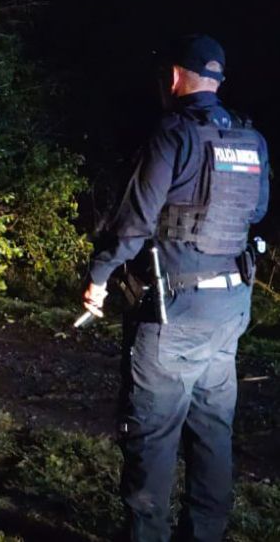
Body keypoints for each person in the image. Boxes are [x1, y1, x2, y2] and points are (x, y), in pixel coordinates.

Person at [84, 34, 269, 542]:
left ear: (173, 77)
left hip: (175, 315)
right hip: (229, 310)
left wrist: (99, 278)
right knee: (213, 434)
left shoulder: (172, 135)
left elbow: (133, 223)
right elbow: (255, 213)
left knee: (153, 437)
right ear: (219, 79)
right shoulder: (251, 140)